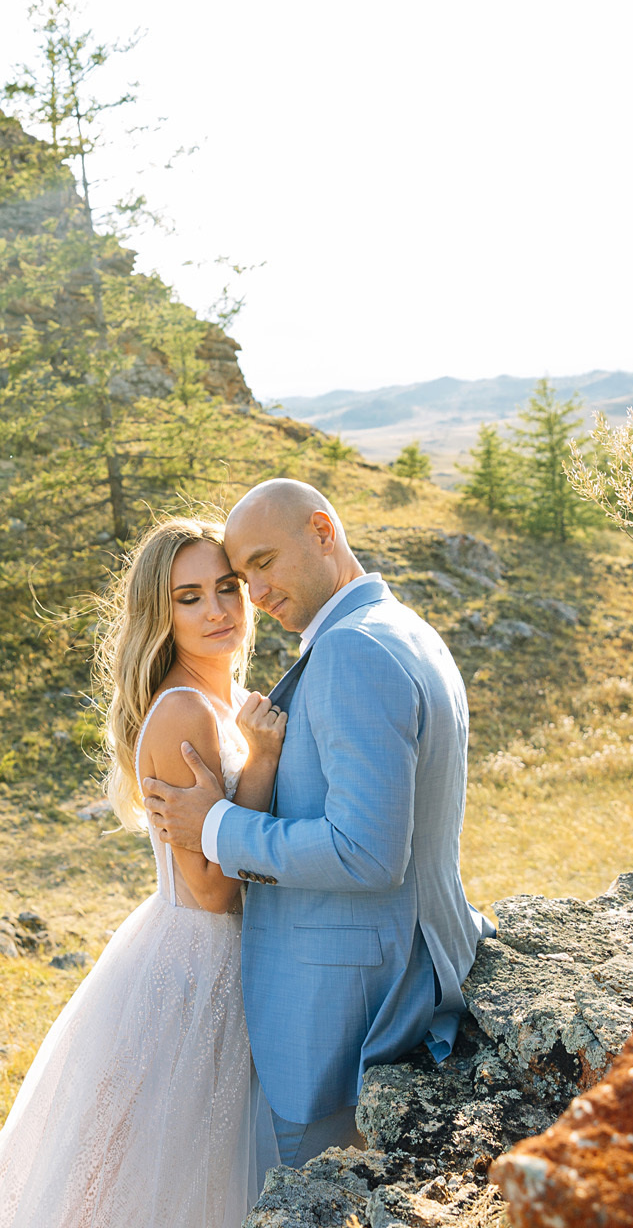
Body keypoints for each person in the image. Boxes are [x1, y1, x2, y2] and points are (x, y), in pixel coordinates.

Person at [0, 515, 283, 1227]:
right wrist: (263, 763)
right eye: (190, 597)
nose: (219, 610)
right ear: (161, 615)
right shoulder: (183, 711)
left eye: (227, 587)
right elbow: (215, 891)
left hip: (232, 965)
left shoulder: (223, 703)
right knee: (130, 1185)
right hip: (192, 970)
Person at [144, 478, 497, 1168]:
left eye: (263, 563)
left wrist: (216, 826)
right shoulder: (402, 628)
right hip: (394, 965)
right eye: (243, 575)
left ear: (322, 531)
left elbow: (365, 851)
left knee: (316, 1187)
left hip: (348, 1001)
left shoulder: (351, 650)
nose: (255, 592)